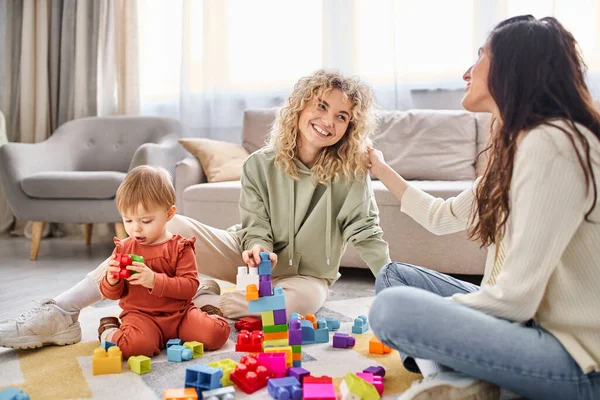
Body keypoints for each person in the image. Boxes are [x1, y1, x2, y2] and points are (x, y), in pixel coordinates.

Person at [0, 69, 390, 349]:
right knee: (168, 229)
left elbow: (367, 230)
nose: (328, 121)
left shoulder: (351, 172)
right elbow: (255, 225)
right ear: (300, 107)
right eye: (322, 107)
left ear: (350, 128)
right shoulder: (259, 164)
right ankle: (63, 311)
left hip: (306, 277)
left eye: (342, 117)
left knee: (298, 304)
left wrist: (390, 280)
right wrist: (257, 247)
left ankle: (198, 302)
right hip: (244, 255)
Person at [367, 15, 600, 400]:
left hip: (575, 360)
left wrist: (437, 320)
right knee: (394, 278)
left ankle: (459, 378)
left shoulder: (553, 144)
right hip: (527, 325)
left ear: (512, 65)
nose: (466, 72)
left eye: (480, 56)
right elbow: (440, 218)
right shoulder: (518, 148)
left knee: (392, 310)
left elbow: (515, 298)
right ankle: (464, 378)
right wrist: (379, 167)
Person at [96, 165, 229, 358]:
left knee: (216, 334)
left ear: (169, 214)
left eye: (146, 221)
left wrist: (153, 280)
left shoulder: (180, 248)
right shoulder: (124, 248)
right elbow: (112, 294)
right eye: (128, 221)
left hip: (180, 314)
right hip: (141, 317)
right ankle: (108, 328)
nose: (136, 229)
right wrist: (111, 280)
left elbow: (189, 287)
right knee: (133, 348)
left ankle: (207, 313)